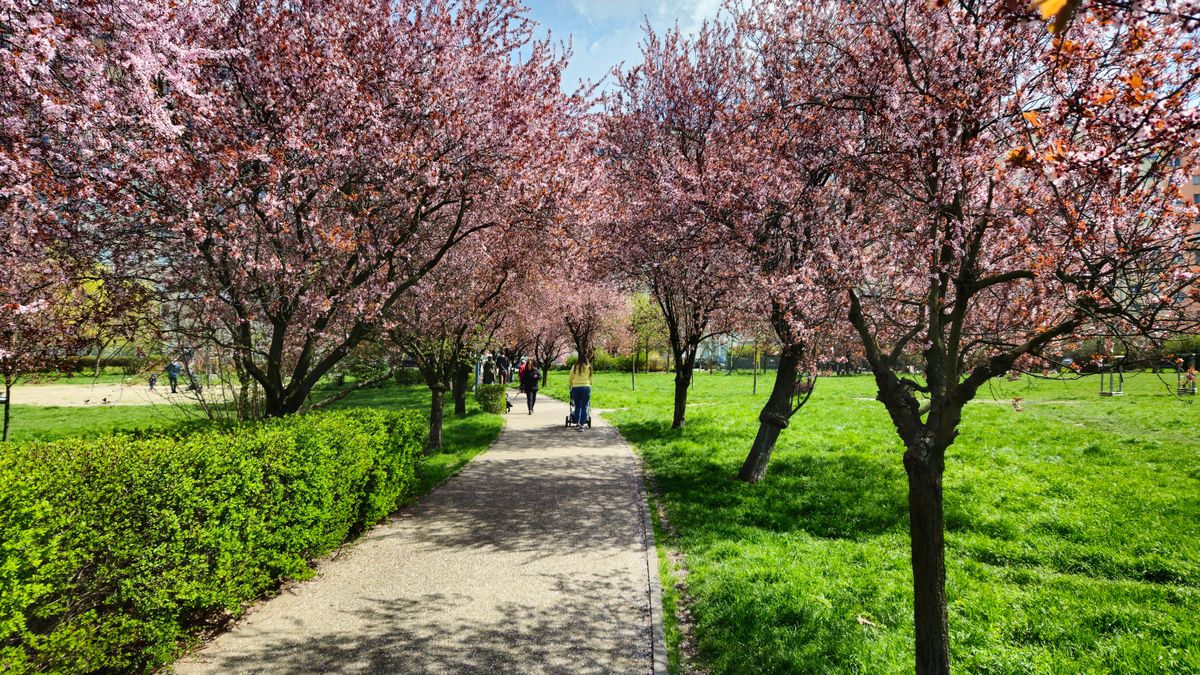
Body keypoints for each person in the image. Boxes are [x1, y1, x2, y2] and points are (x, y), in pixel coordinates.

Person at [568, 356, 592, 431]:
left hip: (576, 387)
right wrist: (590, 384)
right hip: (586, 387)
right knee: (584, 407)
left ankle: (577, 423)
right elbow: (590, 378)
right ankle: (581, 424)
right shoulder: (588, 367)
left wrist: (570, 385)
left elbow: (570, 377)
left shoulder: (574, 367)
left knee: (577, 406)